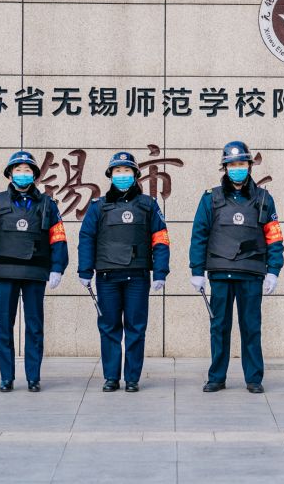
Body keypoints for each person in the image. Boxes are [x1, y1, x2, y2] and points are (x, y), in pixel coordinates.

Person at [189, 141, 284, 394]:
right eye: (232, 165)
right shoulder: (210, 198)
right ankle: (216, 378)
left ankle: (253, 378)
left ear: (249, 166)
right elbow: (199, 235)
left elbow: (274, 237)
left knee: (251, 327)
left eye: (241, 164)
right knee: (219, 328)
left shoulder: (263, 199)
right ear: (225, 168)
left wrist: (273, 270)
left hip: (251, 273)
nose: (237, 168)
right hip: (220, 272)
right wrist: (197, 271)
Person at [0, 151, 67, 392]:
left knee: (34, 327)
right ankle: (7, 377)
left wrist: (58, 267)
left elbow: (58, 238)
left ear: (34, 175)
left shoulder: (48, 204)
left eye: (27, 170)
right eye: (18, 170)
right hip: (5, 273)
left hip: (35, 273)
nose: (22, 174)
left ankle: (33, 377)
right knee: (4, 326)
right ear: (10, 174)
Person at [78, 152, 170, 393]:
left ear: (135, 175)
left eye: (127, 171)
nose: (122, 175)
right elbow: (87, 238)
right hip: (107, 277)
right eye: (117, 171)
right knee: (109, 327)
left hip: (137, 277)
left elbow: (160, 239)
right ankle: (111, 377)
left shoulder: (148, 205)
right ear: (110, 175)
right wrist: (85, 270)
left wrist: (160, 272)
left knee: (136, 328)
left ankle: (132, 378)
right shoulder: (98, 206)